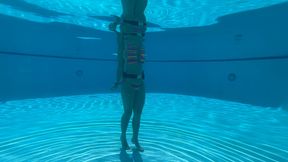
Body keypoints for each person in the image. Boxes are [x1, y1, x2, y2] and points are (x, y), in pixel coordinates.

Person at [109, 0, 148, 152]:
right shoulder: (123, 43)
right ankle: (123, 136)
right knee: (128, 112)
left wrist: (118, 23)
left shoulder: (140, 39)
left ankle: (135, 138)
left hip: (141, 81)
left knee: (138, 113)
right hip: (127, 82)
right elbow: (120, 63)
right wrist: (118, 80)